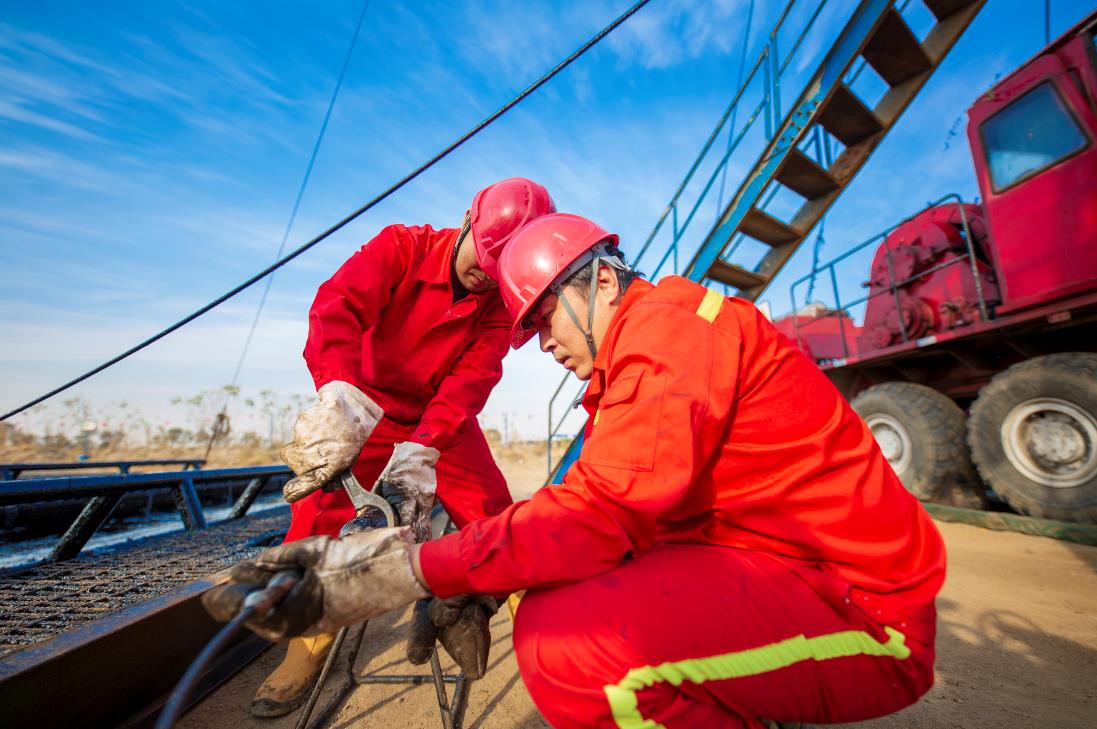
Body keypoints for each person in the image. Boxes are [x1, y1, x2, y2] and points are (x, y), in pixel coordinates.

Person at [207, 212, 947, 728]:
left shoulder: (667, 345)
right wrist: (477, 571)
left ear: (598, 282)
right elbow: (582, 507)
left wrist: (408, 570)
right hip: (778, 563)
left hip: (864, 614)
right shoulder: (648, 344)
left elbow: (596, 514)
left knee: (570, 652)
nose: (539, 345)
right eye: (523, 328)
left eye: (544, 320)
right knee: (550, 599)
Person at [250, 178, 555, 718]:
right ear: (467, 220)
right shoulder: (400, 247)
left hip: (438, 419)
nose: (485, 273)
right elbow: (335, 306)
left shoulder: (499, 305)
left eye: (499, 267)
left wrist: (424, 450)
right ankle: (309, 643)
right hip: (362, 407)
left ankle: (539, 625)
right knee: (317, 511)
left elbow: (470, 381)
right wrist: (338, 390)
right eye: (484, 256)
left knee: (492, 507)